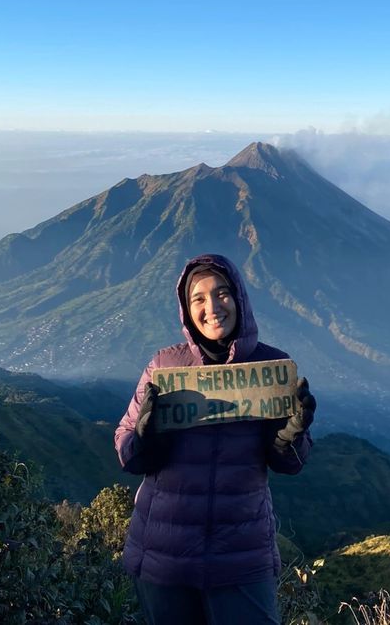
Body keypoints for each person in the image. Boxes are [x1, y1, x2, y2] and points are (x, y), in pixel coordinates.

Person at [115, 253, 315, 625]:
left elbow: (289, 463)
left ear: (239, 297)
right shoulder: (164, 367)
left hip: (240, 557)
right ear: (186, 310)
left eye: (222, 293)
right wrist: (147, 436)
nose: (212, 307)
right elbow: (129, 454)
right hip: (165, 556)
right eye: (199, 298)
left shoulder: (270, 368)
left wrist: (293, 433)